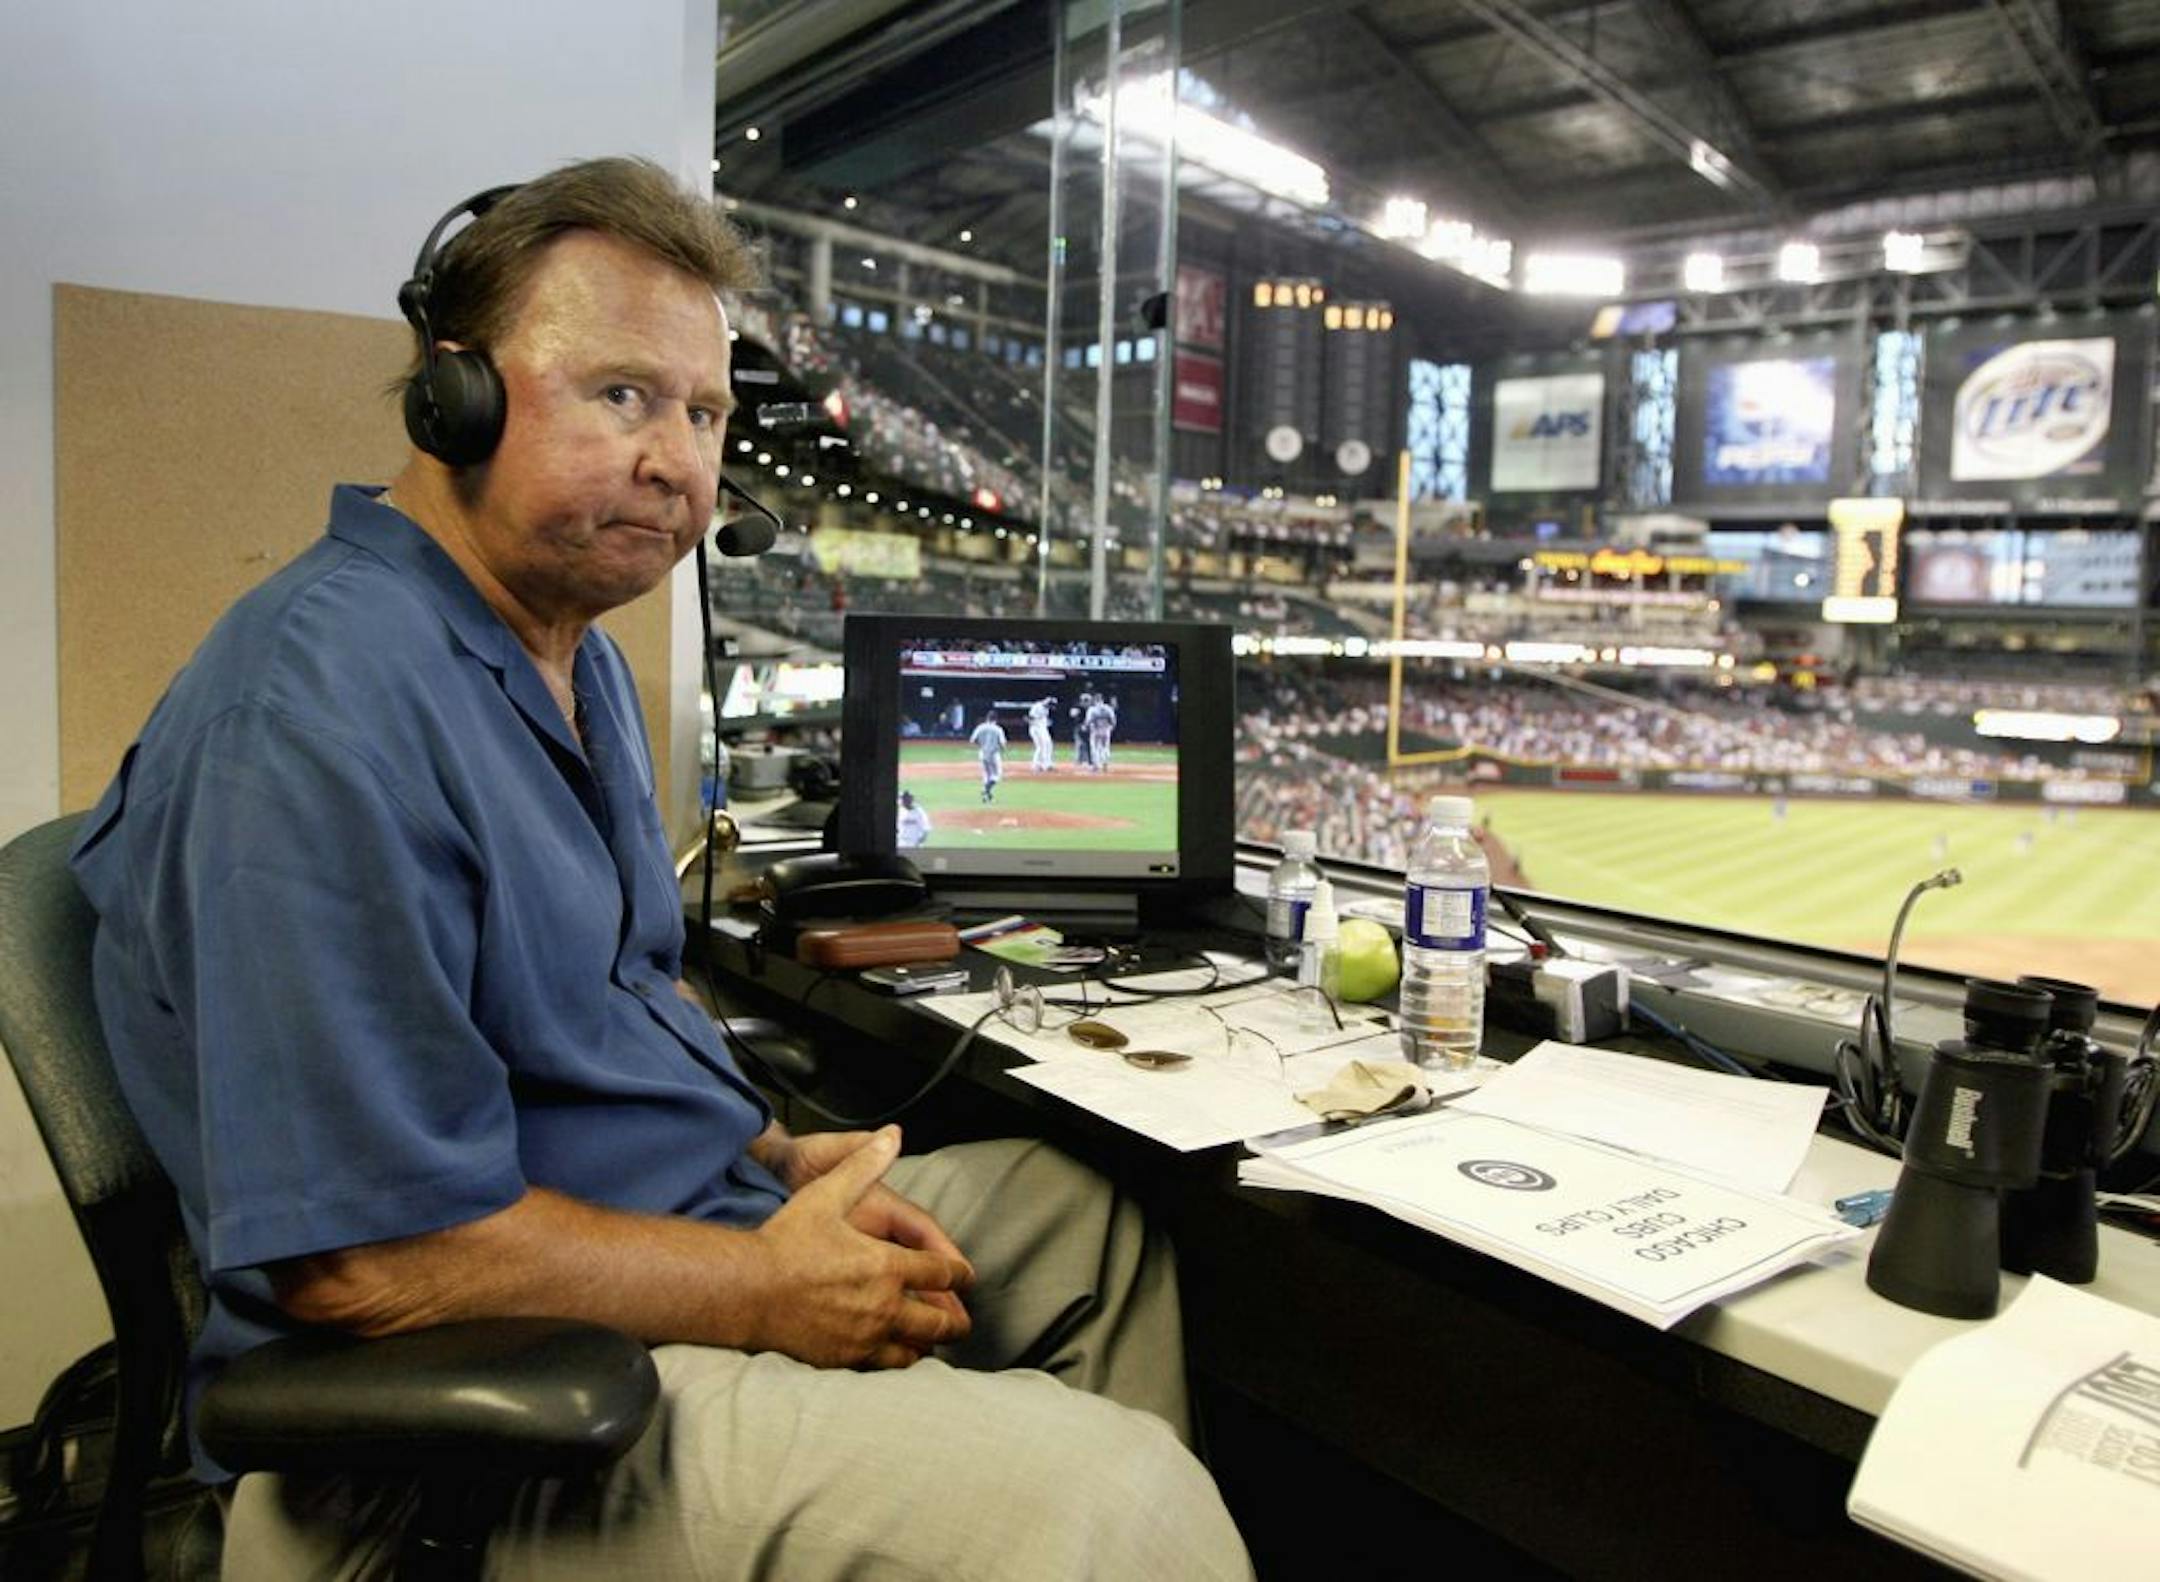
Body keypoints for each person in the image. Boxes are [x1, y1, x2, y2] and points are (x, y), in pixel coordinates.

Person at [66, 157, 1249, 1582]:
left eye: (705, 413)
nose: (681, 463)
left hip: (670, 1237)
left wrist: (763, 1152)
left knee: (1084, 1223)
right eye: (623, 394)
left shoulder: (577, 667)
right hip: (460, 1424)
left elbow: (607, 1005)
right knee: (1116, 1504)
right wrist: (762, 1286)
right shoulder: (312, 719)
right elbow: (367, 1265)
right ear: (456, 394)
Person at [970, 708, 1007, 803]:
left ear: (987, 718)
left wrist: (981, 744)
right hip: (994, 754)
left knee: (987, 774)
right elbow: (1003, 743)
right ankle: (986, 789)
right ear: (996, 719)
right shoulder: (998, 729)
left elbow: (973, 740)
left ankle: (987, 797)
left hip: (982, 752)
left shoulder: (980, 727)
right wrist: (1002, 750)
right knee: (997, 775)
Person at [1086, 692, 1117, 774]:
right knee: (1105, 748)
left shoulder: (1092, 709)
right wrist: (1110, 729)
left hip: (1095, 731)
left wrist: (1089, 728)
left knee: (1095, 748)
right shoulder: (1108, 708)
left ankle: (1096, 766)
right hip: (1106, 731)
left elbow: (1088, 722)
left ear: (1095, 700)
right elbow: (1113, 721)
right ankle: (1105, 764)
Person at [1027, 695, 1056, 772]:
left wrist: (1046, 723)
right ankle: (1036, 765)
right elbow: (1030, 718)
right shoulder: (1037, 706)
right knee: (1040, 747)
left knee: (1049, 744)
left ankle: (1048, 764)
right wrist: (1036, 723)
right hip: (1035, 728)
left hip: (1043, 728)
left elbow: (1044, 719)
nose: (1051, 707)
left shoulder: (1046, 709)